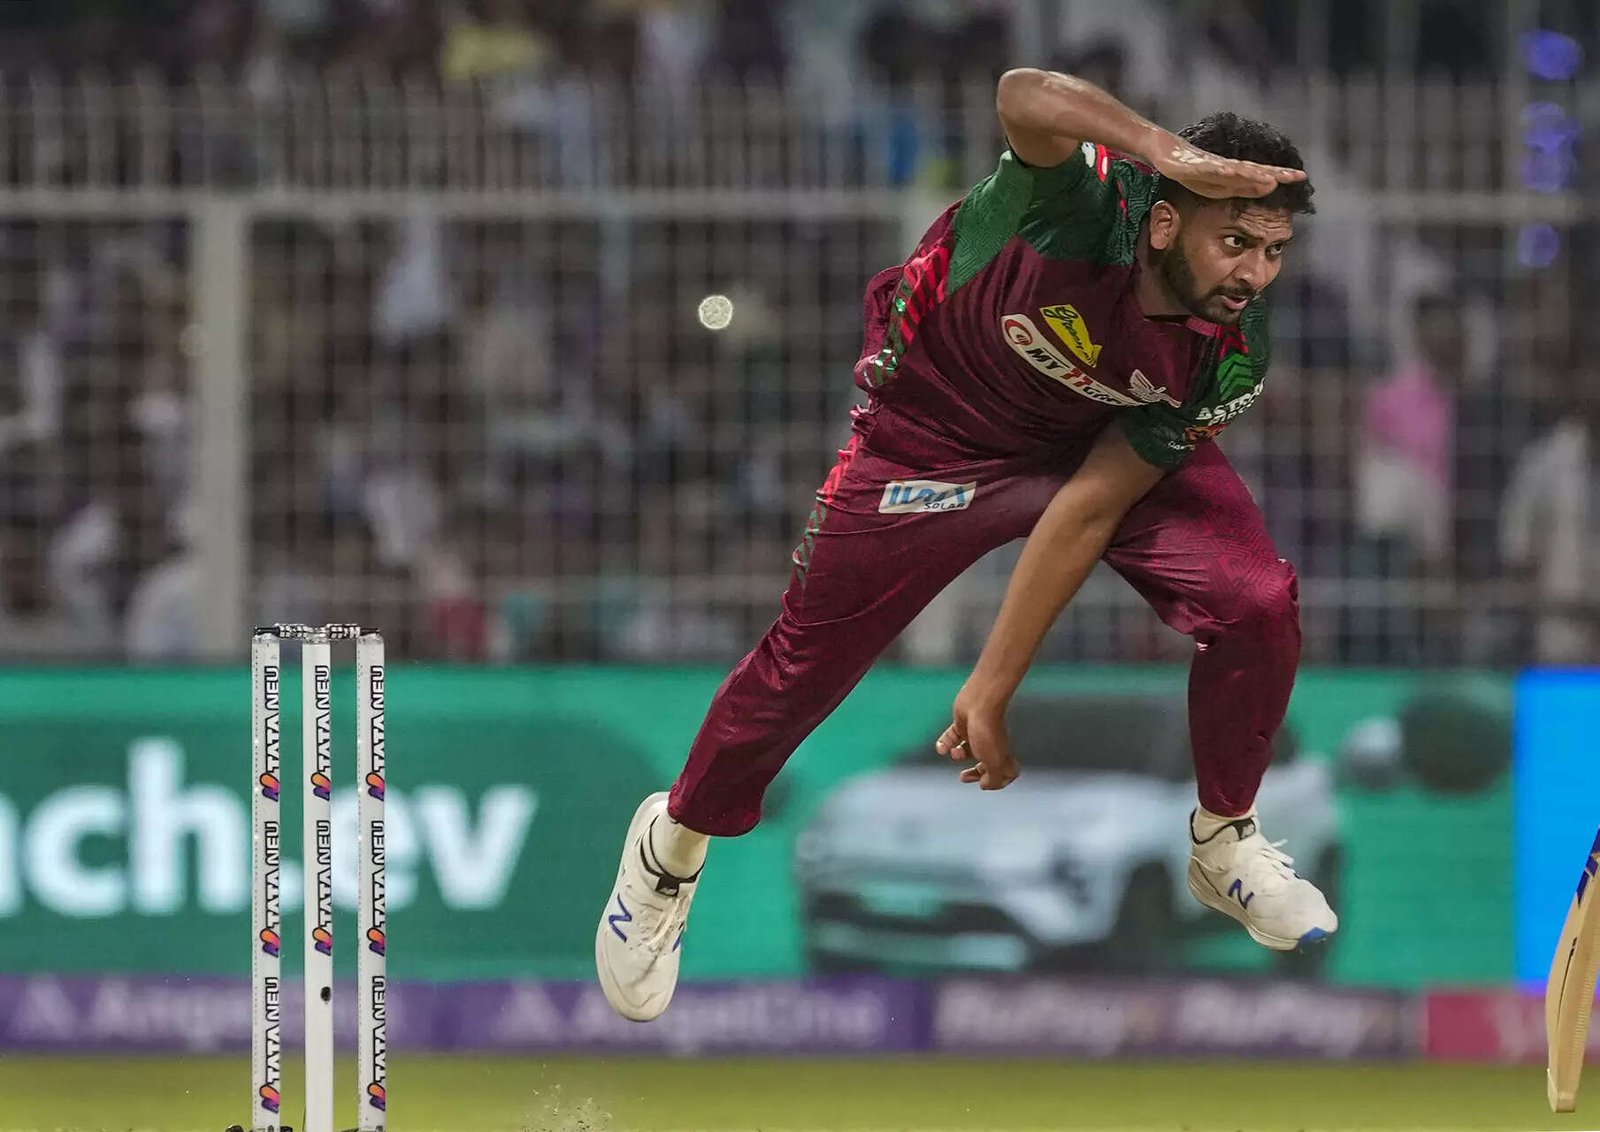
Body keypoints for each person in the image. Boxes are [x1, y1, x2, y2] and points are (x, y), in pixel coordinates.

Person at [596, 67, 1336, 1022]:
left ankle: (1223, 839)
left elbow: (1085, 510)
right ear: (1164, 222)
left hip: (1088, 442)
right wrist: (1167, 150)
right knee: (805, 666)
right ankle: (671, 847)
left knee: (1255, 600)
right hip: (934, 433)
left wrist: (990, 685)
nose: (1254, 274)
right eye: (1235, 241)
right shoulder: (1086, 203)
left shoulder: (1227, 352)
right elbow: (1023, 92)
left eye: (1273, 251)